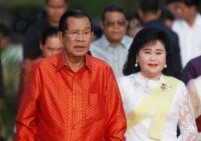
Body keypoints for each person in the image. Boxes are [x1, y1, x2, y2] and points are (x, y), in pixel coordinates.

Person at [15, 10, 127, 140]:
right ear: (61, 37)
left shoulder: (103, 71)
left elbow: (116, 123)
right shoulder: (42, 70)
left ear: (92, 36)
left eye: (85, 33)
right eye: (74, 33)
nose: (80, 38)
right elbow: (26, 121)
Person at [118, 27, 198, 141]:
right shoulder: (123, 84)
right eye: (147, 52)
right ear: (137, 55)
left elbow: (190, 130)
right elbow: (112, 126)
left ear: (166, 57)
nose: (153, 58)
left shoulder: (178, 87)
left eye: (158, 53)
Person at [138, 0, 182, 79]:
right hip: (170, 85)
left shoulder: (138, 33)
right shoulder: (173, 34)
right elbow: (177, 67)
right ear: (159, 12)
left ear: (140, 13)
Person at [18, 27, 63, 103]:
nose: (54, 54)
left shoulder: (72, 67)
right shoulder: (29, 69)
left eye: (59, 49)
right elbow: (25, 102)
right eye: (50, 49)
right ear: (41, 45)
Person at [90, 4, 133, 79]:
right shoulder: (91, 50)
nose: (116, 26)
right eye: (110, 23)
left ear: (126, 24)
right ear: (102, 25)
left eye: (120, 23)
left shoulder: (136, 46)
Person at [22, 0, 67, 68]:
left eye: (60, 7)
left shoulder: (73, 29)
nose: (56, 11)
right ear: (46, 7)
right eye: (52, 7)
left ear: (66, 7)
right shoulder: (34, 30)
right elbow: (28, 62)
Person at [172, 0, 201, 67]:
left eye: (182, 8)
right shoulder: (175, 27)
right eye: (178, 8)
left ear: (193, 8)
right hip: (180, 73)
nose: (178, 11)